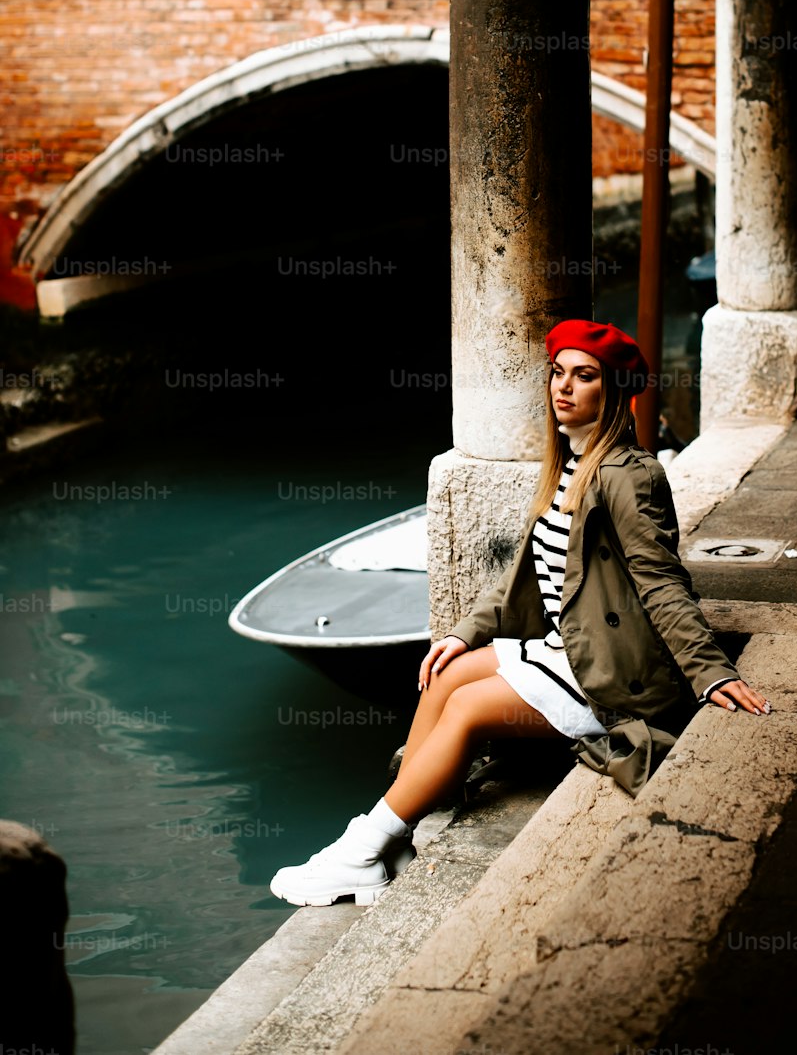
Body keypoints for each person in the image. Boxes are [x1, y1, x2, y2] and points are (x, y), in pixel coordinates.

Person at [269, 319, 770, 907]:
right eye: (558, 373)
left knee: (466, 708)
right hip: (571, 646)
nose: (564, 387)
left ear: (611, 390)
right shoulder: (567, 465)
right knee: (445, 672)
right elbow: (522, 581)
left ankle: (359, 851)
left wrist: (711, 671)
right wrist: (463, 634)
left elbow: (662, 582)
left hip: (612, 671)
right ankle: (397, 838)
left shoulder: (629, 476)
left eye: (584, 376)